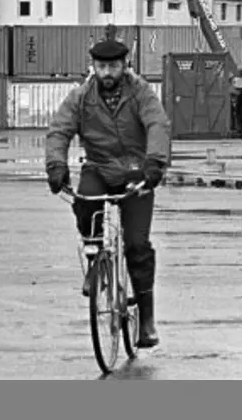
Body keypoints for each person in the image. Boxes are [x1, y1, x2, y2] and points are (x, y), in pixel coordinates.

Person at [44, 38, 171, 349]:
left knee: (137, 246)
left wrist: (154, 163)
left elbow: (158, 124)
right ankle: (95, 261)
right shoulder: (81, 96)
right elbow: (59, 130)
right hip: (99, 169)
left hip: (137, 174)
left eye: (113, 66)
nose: (107, 72)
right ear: (94, 67)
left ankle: (147, 321)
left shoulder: (140, 92)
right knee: (84, 203)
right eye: (101, 67)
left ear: (125, 65)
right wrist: (56, 167)